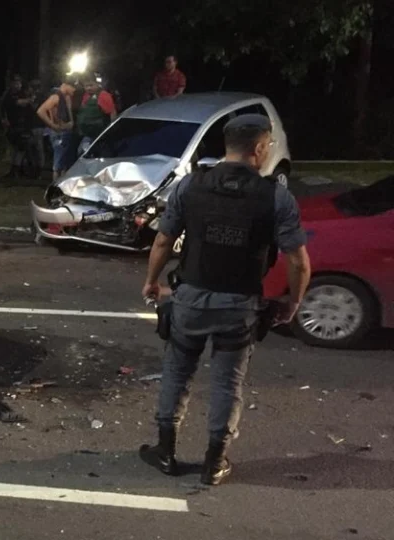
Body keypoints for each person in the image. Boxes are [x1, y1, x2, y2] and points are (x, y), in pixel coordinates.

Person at [139, 114, 311, 486]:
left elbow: (163, 240)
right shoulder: (276, 196)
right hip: (239, 305)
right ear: (260, 148)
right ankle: (214, 462)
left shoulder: (190, 185)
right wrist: (293, 303)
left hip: (190, 299)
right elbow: (298, 261)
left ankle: (165, 451)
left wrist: (152, 281)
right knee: (227, 383)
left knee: (177, 373)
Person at [36, 78, 77, 180]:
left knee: (65, 163)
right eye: (73, 87)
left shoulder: (66, 97)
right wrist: (53, 126)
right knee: (58, 164)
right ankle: (55, 185)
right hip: (59, 132)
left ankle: (62, 185)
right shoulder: (55, 97)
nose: (74, 90)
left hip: (66, 130)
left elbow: (69, 113)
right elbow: (41, 111)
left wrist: (71, 122)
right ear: (66, 85)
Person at [0, 74, 32, 179]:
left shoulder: (21, 93)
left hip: (21, 124)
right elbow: (17, 103)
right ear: (12, 84)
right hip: (13, 125)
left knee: (20, 148)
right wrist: (30, 100)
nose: (18, 85)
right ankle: (15, 170)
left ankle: (17, 170)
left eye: (19, 83)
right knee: (19, 148)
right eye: (16, 83)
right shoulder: (9, 95)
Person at [76, 77, 117, 155]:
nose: (89, 88)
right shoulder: (86, 96)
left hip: (101, 135)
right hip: (88, 134)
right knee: (82, 153)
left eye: (91, 85)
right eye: (86, 86)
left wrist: (111, 131)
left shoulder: (104, 95)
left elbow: (112, 113)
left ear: (97, 84)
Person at [26, 79, 48, 180]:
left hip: (37, 125)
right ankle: (36, 168)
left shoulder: (38, 97)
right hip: (36, 125)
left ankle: (39, 170)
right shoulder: (42, 96)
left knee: (38, 148)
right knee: (36, 147)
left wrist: (30, 101)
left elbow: (35, 108)